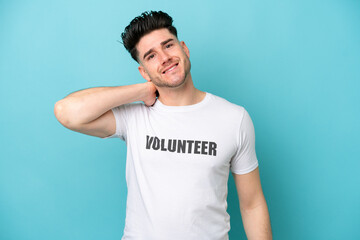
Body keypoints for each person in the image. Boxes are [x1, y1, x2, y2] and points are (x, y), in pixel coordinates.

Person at [54, 10, 272, 240]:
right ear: (143, 72)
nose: (164, 57)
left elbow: (252, 204)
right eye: (151, 56)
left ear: (184, 49)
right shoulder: (134, 118)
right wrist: (142, 90)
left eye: (168, 45)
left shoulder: (234, 119)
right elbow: (66, 112)